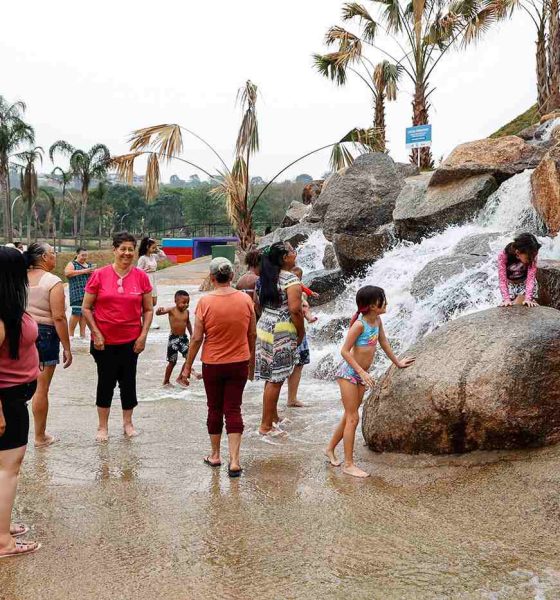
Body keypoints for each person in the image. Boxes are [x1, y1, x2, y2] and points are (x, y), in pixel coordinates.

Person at [325, 286, 415, 478]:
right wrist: (361, 372)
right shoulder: (360, 325)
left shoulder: (377, 320)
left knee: (349, 416)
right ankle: (348, 464)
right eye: (383, 300)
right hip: (349, 374)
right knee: (353, 418)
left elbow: (383, 342)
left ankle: (330, 449)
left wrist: (397, 362)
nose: (387, 303)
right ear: (373, 305)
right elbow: (344, 351)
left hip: (360, 375)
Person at [178, 258, 256, 477]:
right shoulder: (245, 300)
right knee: (234, 408)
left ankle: (215, 455)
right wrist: (251, 363)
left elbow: (195, 339)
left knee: (214, 408)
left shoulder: (205, 302)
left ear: (212, 278)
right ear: (231, 276)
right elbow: (252, 334)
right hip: (239, 362)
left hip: (212, 363)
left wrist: (186, 368)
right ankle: (235, 461)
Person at [82, 232, 153, 442]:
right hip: (104, 341)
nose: (127, 253)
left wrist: (143, 336)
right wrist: (96, 333)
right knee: (105, 382)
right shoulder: (100, 275)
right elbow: (86, 308)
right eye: (122, 249)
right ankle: (102, 427)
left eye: (131, 249)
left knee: (128, 382)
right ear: (114, 250)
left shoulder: (141, 277)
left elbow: (148, 310)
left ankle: (128, 423)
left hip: (131, 340)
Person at [0, 247, 41, 558]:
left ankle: (1, 525)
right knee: (8, 470)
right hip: (7, 401)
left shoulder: (9, 305)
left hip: (15, 397)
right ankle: (3, 541)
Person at [26, 242, 72, 448]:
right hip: (44, 334)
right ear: (44, 257)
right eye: (53, 253)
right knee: (41, 389)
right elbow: (60, 317)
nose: (55, 257)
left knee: (15, 387)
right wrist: (67, 347)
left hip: (20, 333)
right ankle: (39, 436)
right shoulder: (53, 282)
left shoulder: (19, 278)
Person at [255, 242, 304, 435]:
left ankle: (272, 417)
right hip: (281, 332)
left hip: (266, 327)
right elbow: (295, 310)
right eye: (292, 251)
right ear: (284, 258)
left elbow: (258, 305)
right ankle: (266, 426)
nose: (295, 253)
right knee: (276, 380)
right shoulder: (290, 279)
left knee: (271, 376)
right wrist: (301, 333)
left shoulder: (267, 277)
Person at [156, 290, 199, 386]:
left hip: (183, 338)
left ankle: (180, 377)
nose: (186, 305)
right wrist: (159, 311)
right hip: (173, 339)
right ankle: (166, 381)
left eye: (188, 302)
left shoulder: (186, 312)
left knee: (189, 357)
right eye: (183, 302)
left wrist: (192, 334)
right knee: (172, 362)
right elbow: (160, 313)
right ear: (175, 301)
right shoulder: (171, 310)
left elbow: (187, 323)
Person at [498, 233, 541, 307]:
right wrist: (506, 299)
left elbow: (531, 278)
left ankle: (528, 298)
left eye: (534, 255)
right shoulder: (504, 255)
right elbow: (502, 279)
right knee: (509, 304)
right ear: (518, 253)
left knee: (523, 301)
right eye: (529, 258)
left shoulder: (532, 255)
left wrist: (528, 298)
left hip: (525, 283)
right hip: (510, 285)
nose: (532, 259)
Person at [64, 247, 96, 338]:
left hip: (88, 293)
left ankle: (83, 336)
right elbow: (67, 273)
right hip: (77, 292)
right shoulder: (72, 264)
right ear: (77, 254)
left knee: (85, 314)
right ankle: (70, 335)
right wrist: (84, 271)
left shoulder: (90, 265)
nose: (84, 257)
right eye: (82, 255)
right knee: (76, 313)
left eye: (86, 255)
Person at [137, 237, 166, 308]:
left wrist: (158, 249)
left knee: (154, 302)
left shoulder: (153, 256)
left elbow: (163, 257)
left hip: (153, 278)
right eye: (153, 248)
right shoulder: (142, 258)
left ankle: (146, 312)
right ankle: (145, 315)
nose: (154, 249)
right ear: (147, 247)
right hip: (147, 279)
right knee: (148, 303)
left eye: (155, 248)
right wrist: (144, 271)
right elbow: (137, 271)